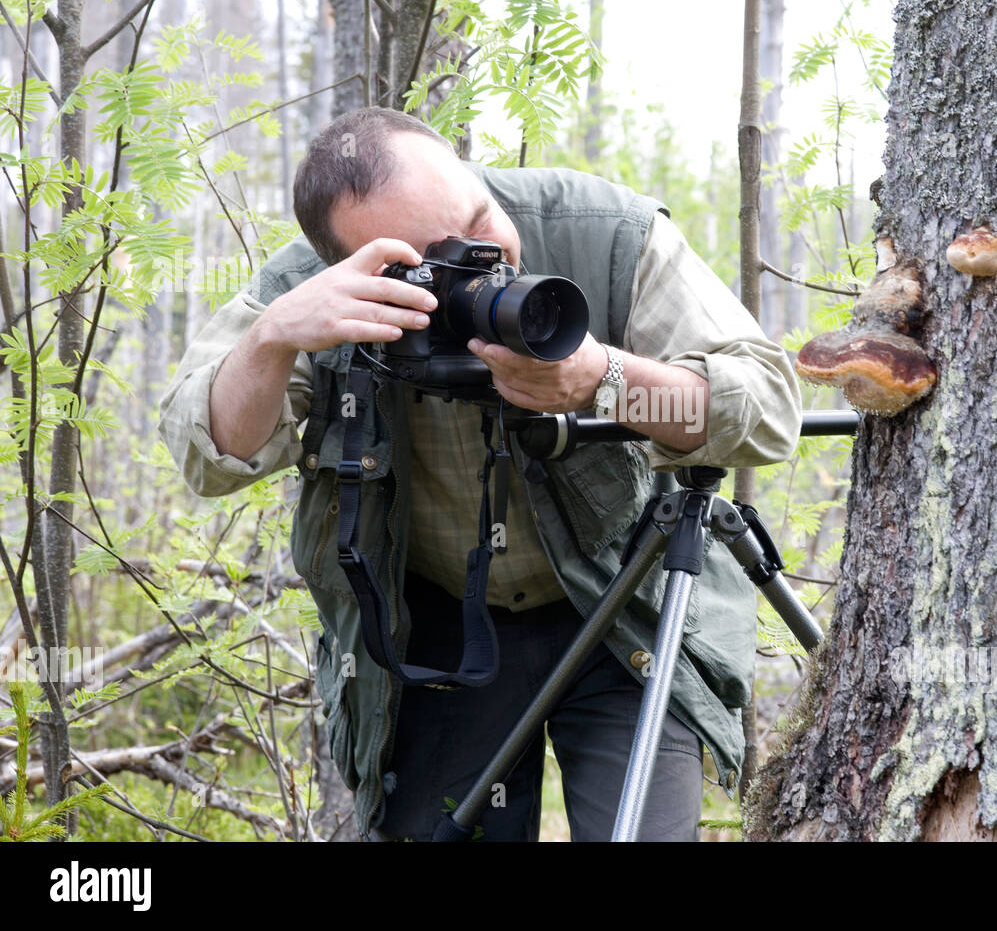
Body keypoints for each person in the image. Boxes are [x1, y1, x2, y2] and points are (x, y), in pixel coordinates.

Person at [159, 106, 801, 841]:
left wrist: (605, 380)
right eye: (443, 260)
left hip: (624, 606)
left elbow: (770, 411)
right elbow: (207, 457)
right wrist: (274, 336)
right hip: (434, 632)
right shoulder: (316, 284)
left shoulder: (603, 231)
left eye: (479, 213)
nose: (489, 255)